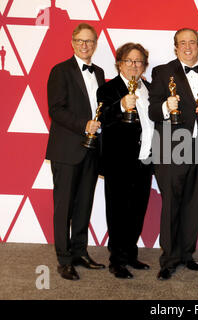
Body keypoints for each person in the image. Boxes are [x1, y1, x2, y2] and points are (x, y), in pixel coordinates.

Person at [148, 28, 198, 280]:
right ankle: (168, 259)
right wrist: (167, 106)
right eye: (182, 43)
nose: (187, 47)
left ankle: (187, 255)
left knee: (193, 203)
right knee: (171, 205)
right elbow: (153, 110)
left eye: (192, 42)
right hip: (172, 150)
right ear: (175, 47)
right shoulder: (162, 72)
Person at [46, 23, 106, 280]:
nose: (85, 45)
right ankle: (64, 259)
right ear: (72, 42)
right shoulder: (60, 71)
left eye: (90, 41)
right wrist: (84, 125)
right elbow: (56, 109)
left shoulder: (101, 72)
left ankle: (80, 252)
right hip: (67, 150)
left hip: (92, 151)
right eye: (80, 41)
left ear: (95, 44)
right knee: (64, 208)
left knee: (84, 204)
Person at [96, 43, 154, 279]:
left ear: (144, 65)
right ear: (119, 63)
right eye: (129, 60)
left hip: (145, 159)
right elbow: (103, 118)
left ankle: (130, 254)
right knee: (118, 211)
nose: (134, 65)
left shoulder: (149, 88)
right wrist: (121, 105)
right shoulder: (108, 90)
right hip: (119, 161)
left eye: (139, 61)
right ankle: (116, 260)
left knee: (138, 210)